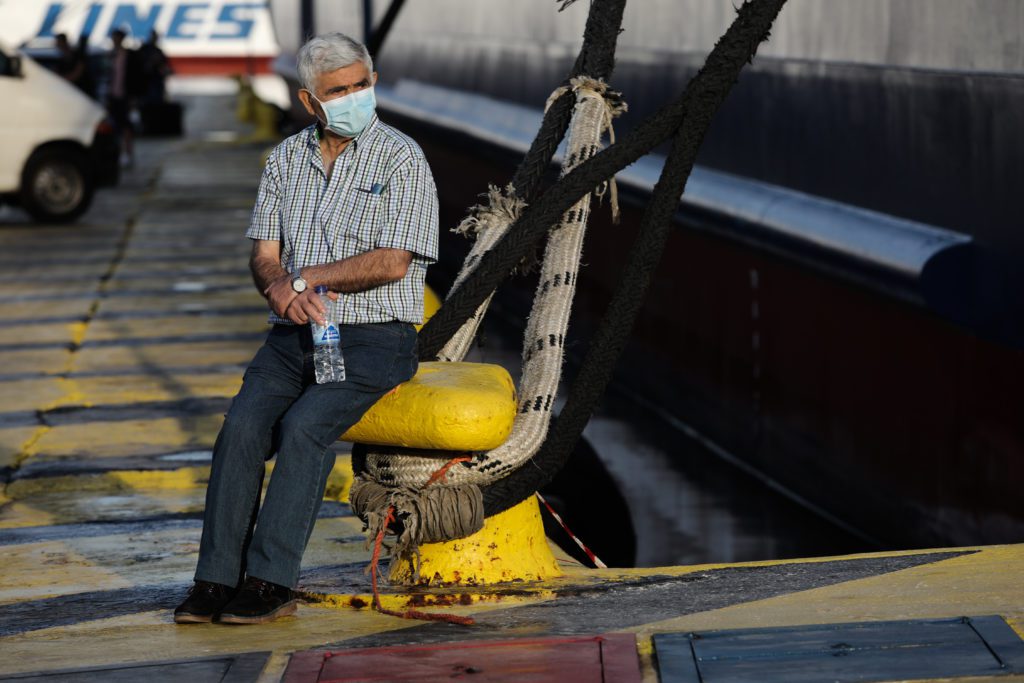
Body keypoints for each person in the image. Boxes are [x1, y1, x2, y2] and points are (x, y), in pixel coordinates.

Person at [173, 32, 439, 625]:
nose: (353, 97)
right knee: (240, 429)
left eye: (361, 85)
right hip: (293, 338)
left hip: (375, 336)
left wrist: (308, 279)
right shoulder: (287, 160)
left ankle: (270, 579)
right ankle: (215, 580)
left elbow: (395, 261)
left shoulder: (402, 158)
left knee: (303, 429)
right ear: (310, 101)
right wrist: (276, 286)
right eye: (338, 91)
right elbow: (265, 254)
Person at [105, 28, 143, 166]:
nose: (115, 41)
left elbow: (136, 78)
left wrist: (134, 98)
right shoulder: (110, 56)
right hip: (112, 96)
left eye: (117, 38)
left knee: (126, 126)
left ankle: (128, 153)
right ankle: (117, 153)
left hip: (125, 96)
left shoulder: (130, 56)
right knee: (114, 127)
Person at [137, 30, 171, 105]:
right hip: (145, 85)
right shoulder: (144, 50)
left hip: (156, 84)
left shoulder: (159, 52)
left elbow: (166, 68)